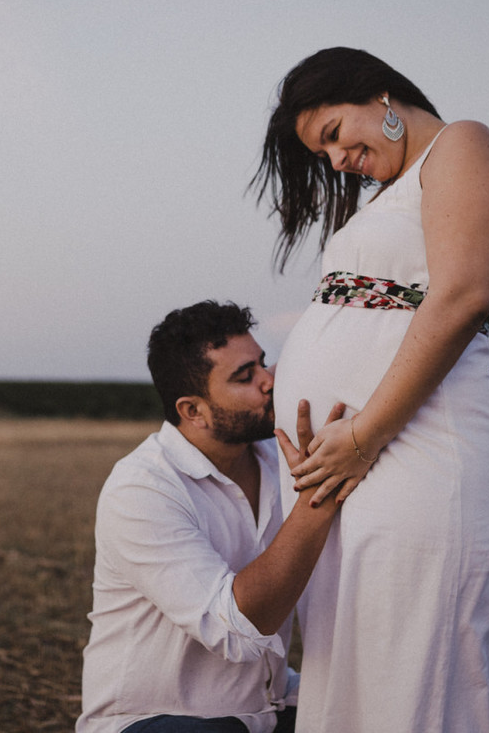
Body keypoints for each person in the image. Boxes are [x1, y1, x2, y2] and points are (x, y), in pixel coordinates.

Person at [250, 47, 489, 733]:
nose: (337, 160)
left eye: (336, 135)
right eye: (325, 153)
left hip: (419, 447)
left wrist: (364, 436)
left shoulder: (463, 145)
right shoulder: (390, 197)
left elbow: (462, 296)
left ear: (379, 97)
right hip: (361, 456)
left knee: (426, 651)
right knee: (361, 648)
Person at [77, 300, 345, 733]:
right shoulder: (142, 488)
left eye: (262, 363)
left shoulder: (278, 460)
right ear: (193, 411)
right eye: (245, 376)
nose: (269, 380)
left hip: (264, 713)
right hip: (156, 722)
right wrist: (320, 493)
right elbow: (237, 630)